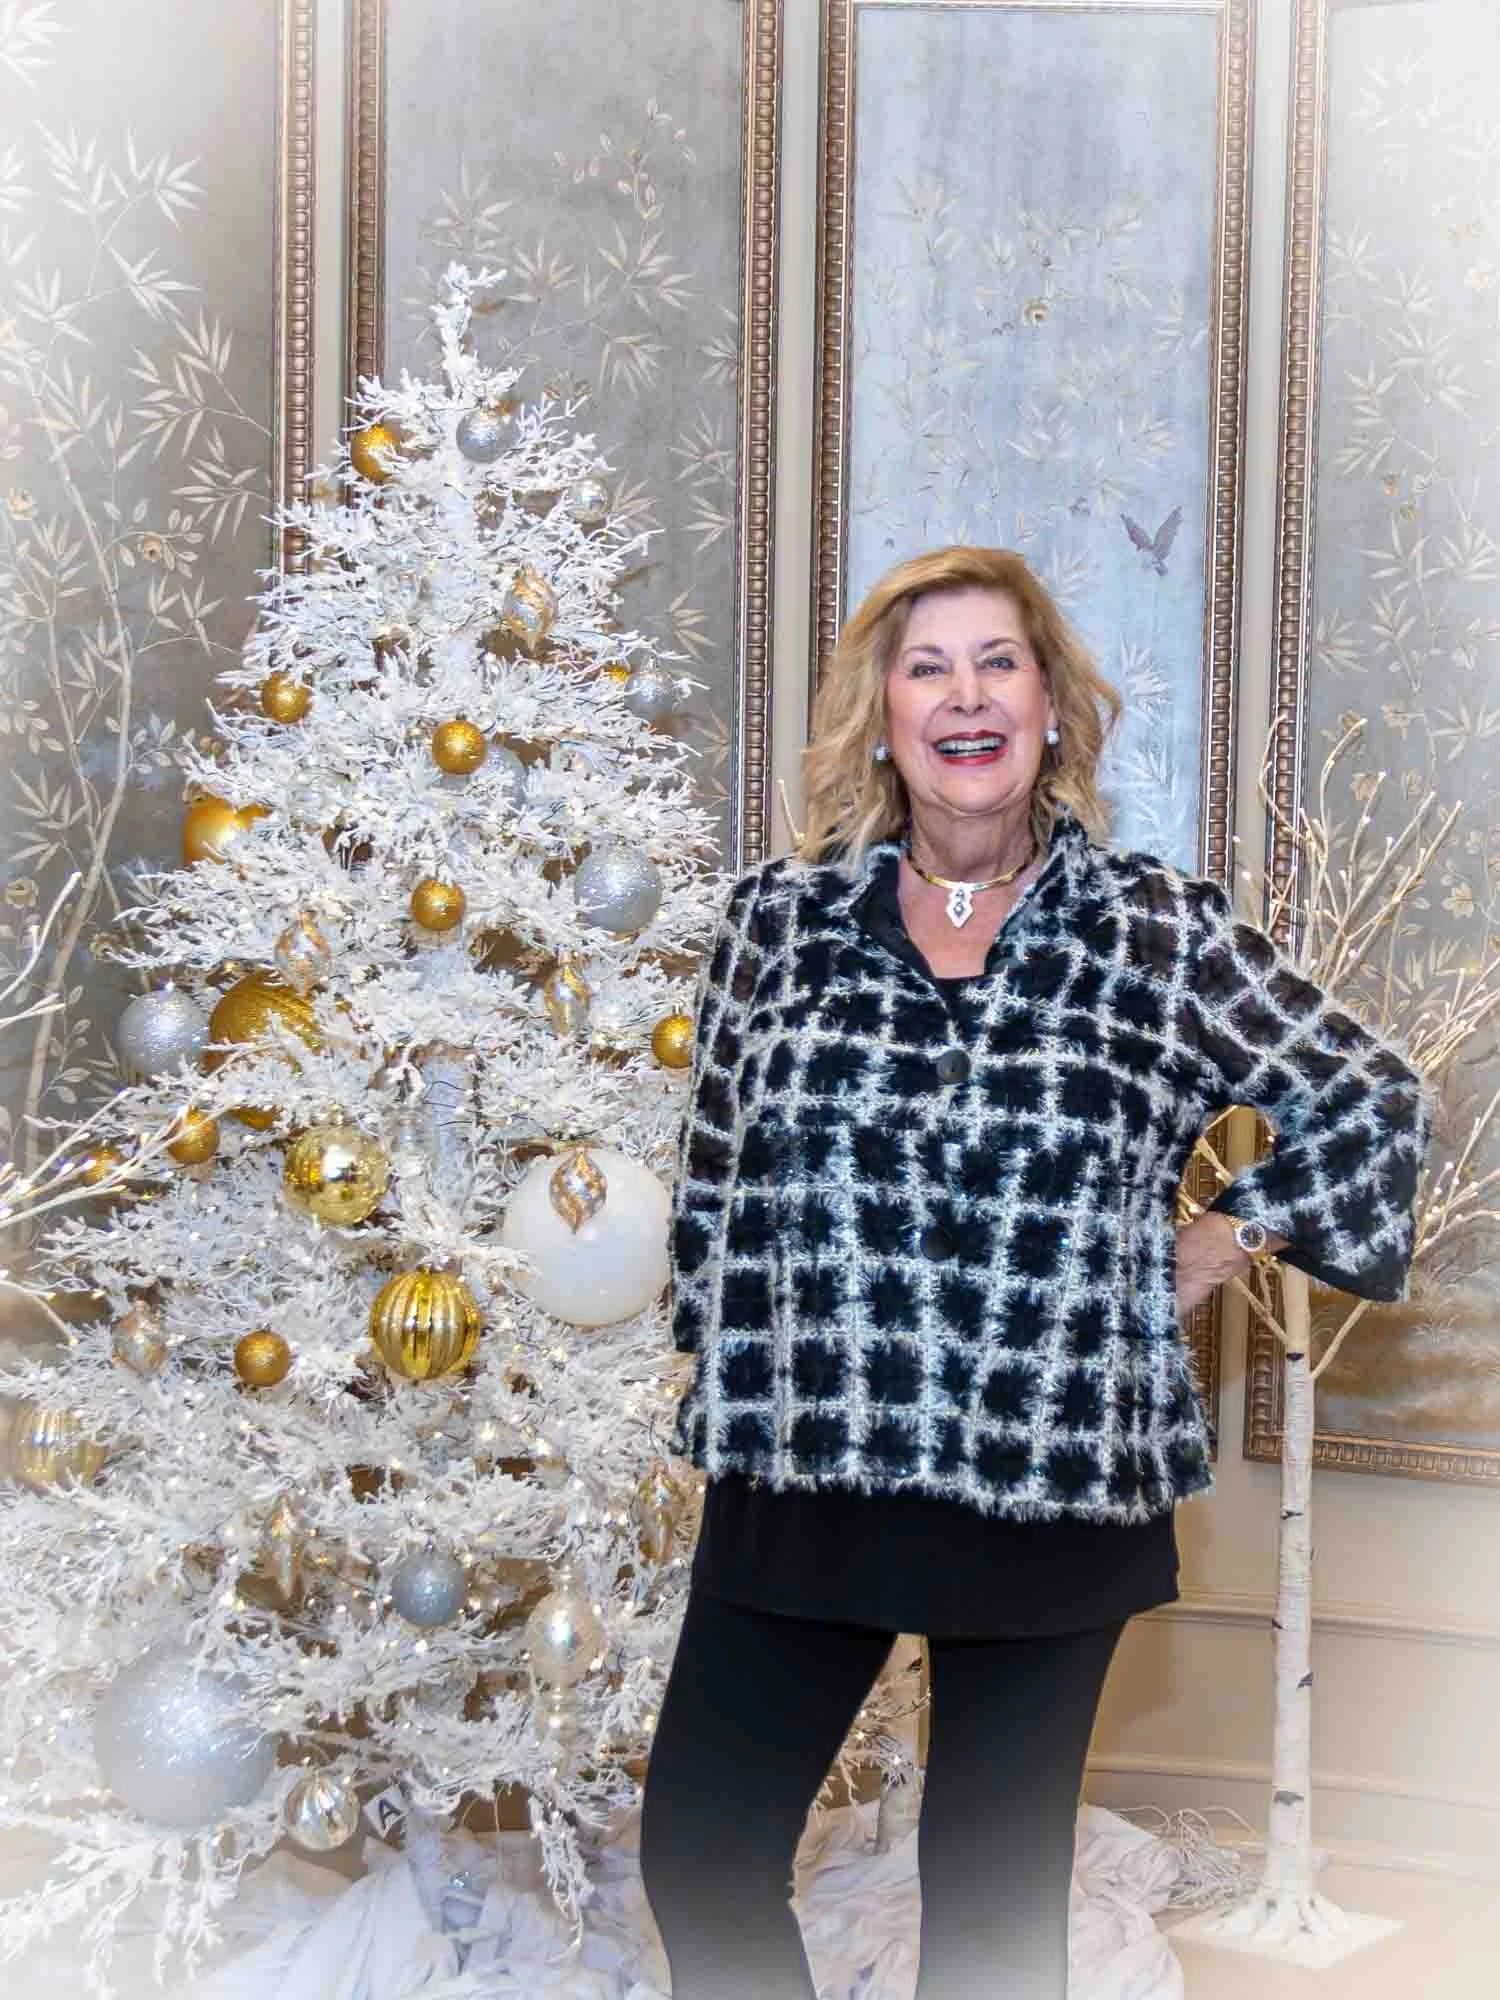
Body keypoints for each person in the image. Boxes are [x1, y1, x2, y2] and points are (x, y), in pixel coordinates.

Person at [637, 546, 1430, 2000]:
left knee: (994, 1926)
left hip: (1054, 1471)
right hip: (807, 1464)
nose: (964, 695)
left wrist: (1210, 1244)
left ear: (1052, 708)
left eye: (998, 661)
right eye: (926, 666)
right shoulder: (775, 924)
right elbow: (713, 1172)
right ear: (881, 718)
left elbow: (1373, 1098)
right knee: (698, 1859)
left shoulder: (1155, 929)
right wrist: (721, 1356)